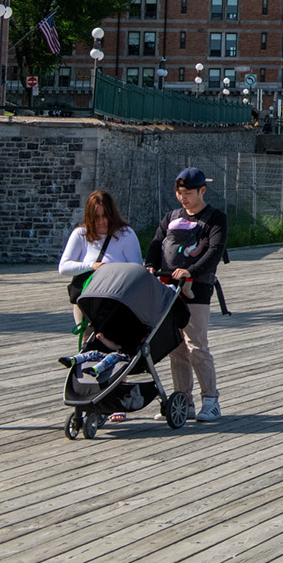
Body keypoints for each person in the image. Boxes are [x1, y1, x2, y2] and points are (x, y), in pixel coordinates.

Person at [145, 166, 227, 423]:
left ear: (202, 190)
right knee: (176, 348)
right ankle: (183, 401)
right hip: (167, 287)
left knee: (196, 346)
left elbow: (213, 251)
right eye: (180, 193)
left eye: (188, 192)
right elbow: (156, 243)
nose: (183, 197)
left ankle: (211, 400)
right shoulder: (171, 216)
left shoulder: (215, 218)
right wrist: (149, 264)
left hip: (196, 288)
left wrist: (190, 270)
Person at [58, 189, 141, 319]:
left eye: (105, 216)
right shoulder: (80, 234)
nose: (101, 221)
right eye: (96, 217)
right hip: (87, 300)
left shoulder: (126, 234)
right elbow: (63, 268)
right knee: (87, 337)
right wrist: (92, 266)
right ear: (89, 217)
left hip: (117, 300)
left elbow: (137, 269)